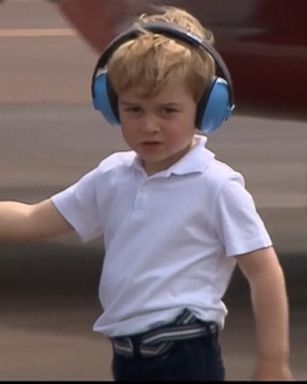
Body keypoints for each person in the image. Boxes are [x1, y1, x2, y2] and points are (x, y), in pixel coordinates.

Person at [0, 5, 293, 381]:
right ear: (112, 106)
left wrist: (273, 359)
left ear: (206, 109)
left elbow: (264, 271)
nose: (149, 125)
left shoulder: (217, 185)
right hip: (127, 354)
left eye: (168, 110)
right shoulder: (113, 177)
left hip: (184, 351)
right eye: (134, 109)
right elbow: (33, 219)